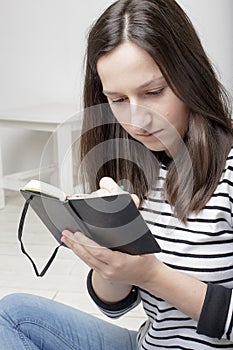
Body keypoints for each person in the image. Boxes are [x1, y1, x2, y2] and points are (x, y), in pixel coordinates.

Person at [0, 0, 232, 349]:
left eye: (153, 92)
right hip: (147, 343)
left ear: (190, 76)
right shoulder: (134, 169)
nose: (137, 118)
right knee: (15, 314)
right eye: (118, 99)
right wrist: (110, 251)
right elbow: (114, 304)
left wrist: (153, 275)